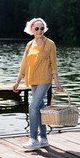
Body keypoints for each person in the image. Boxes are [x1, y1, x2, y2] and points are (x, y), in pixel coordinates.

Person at [13, 18, 63, 149]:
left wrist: (56, 82)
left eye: (42, 28)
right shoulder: (29, 45)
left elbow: (54, 63)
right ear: (32, 30)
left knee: (33, 106)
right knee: (40, 108)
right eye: (37, 28)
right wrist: (17, 82)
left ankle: (33, 139)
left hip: (45, 79)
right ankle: (44, 139)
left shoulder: (50, 44)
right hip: (32, 80)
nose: (40, 31)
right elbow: (24, 64)